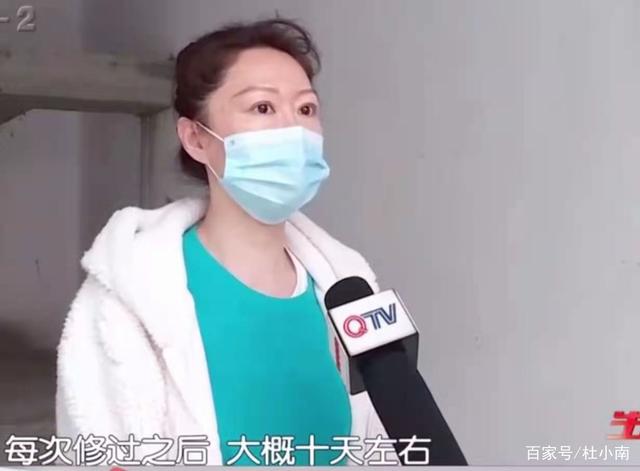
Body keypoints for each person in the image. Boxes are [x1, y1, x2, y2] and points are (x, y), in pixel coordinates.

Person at [56, 17, 391, 466]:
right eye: (263, 108)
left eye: (306, 109)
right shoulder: (128, 298)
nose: (294, 129)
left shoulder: (347, 286)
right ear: (196, 138)